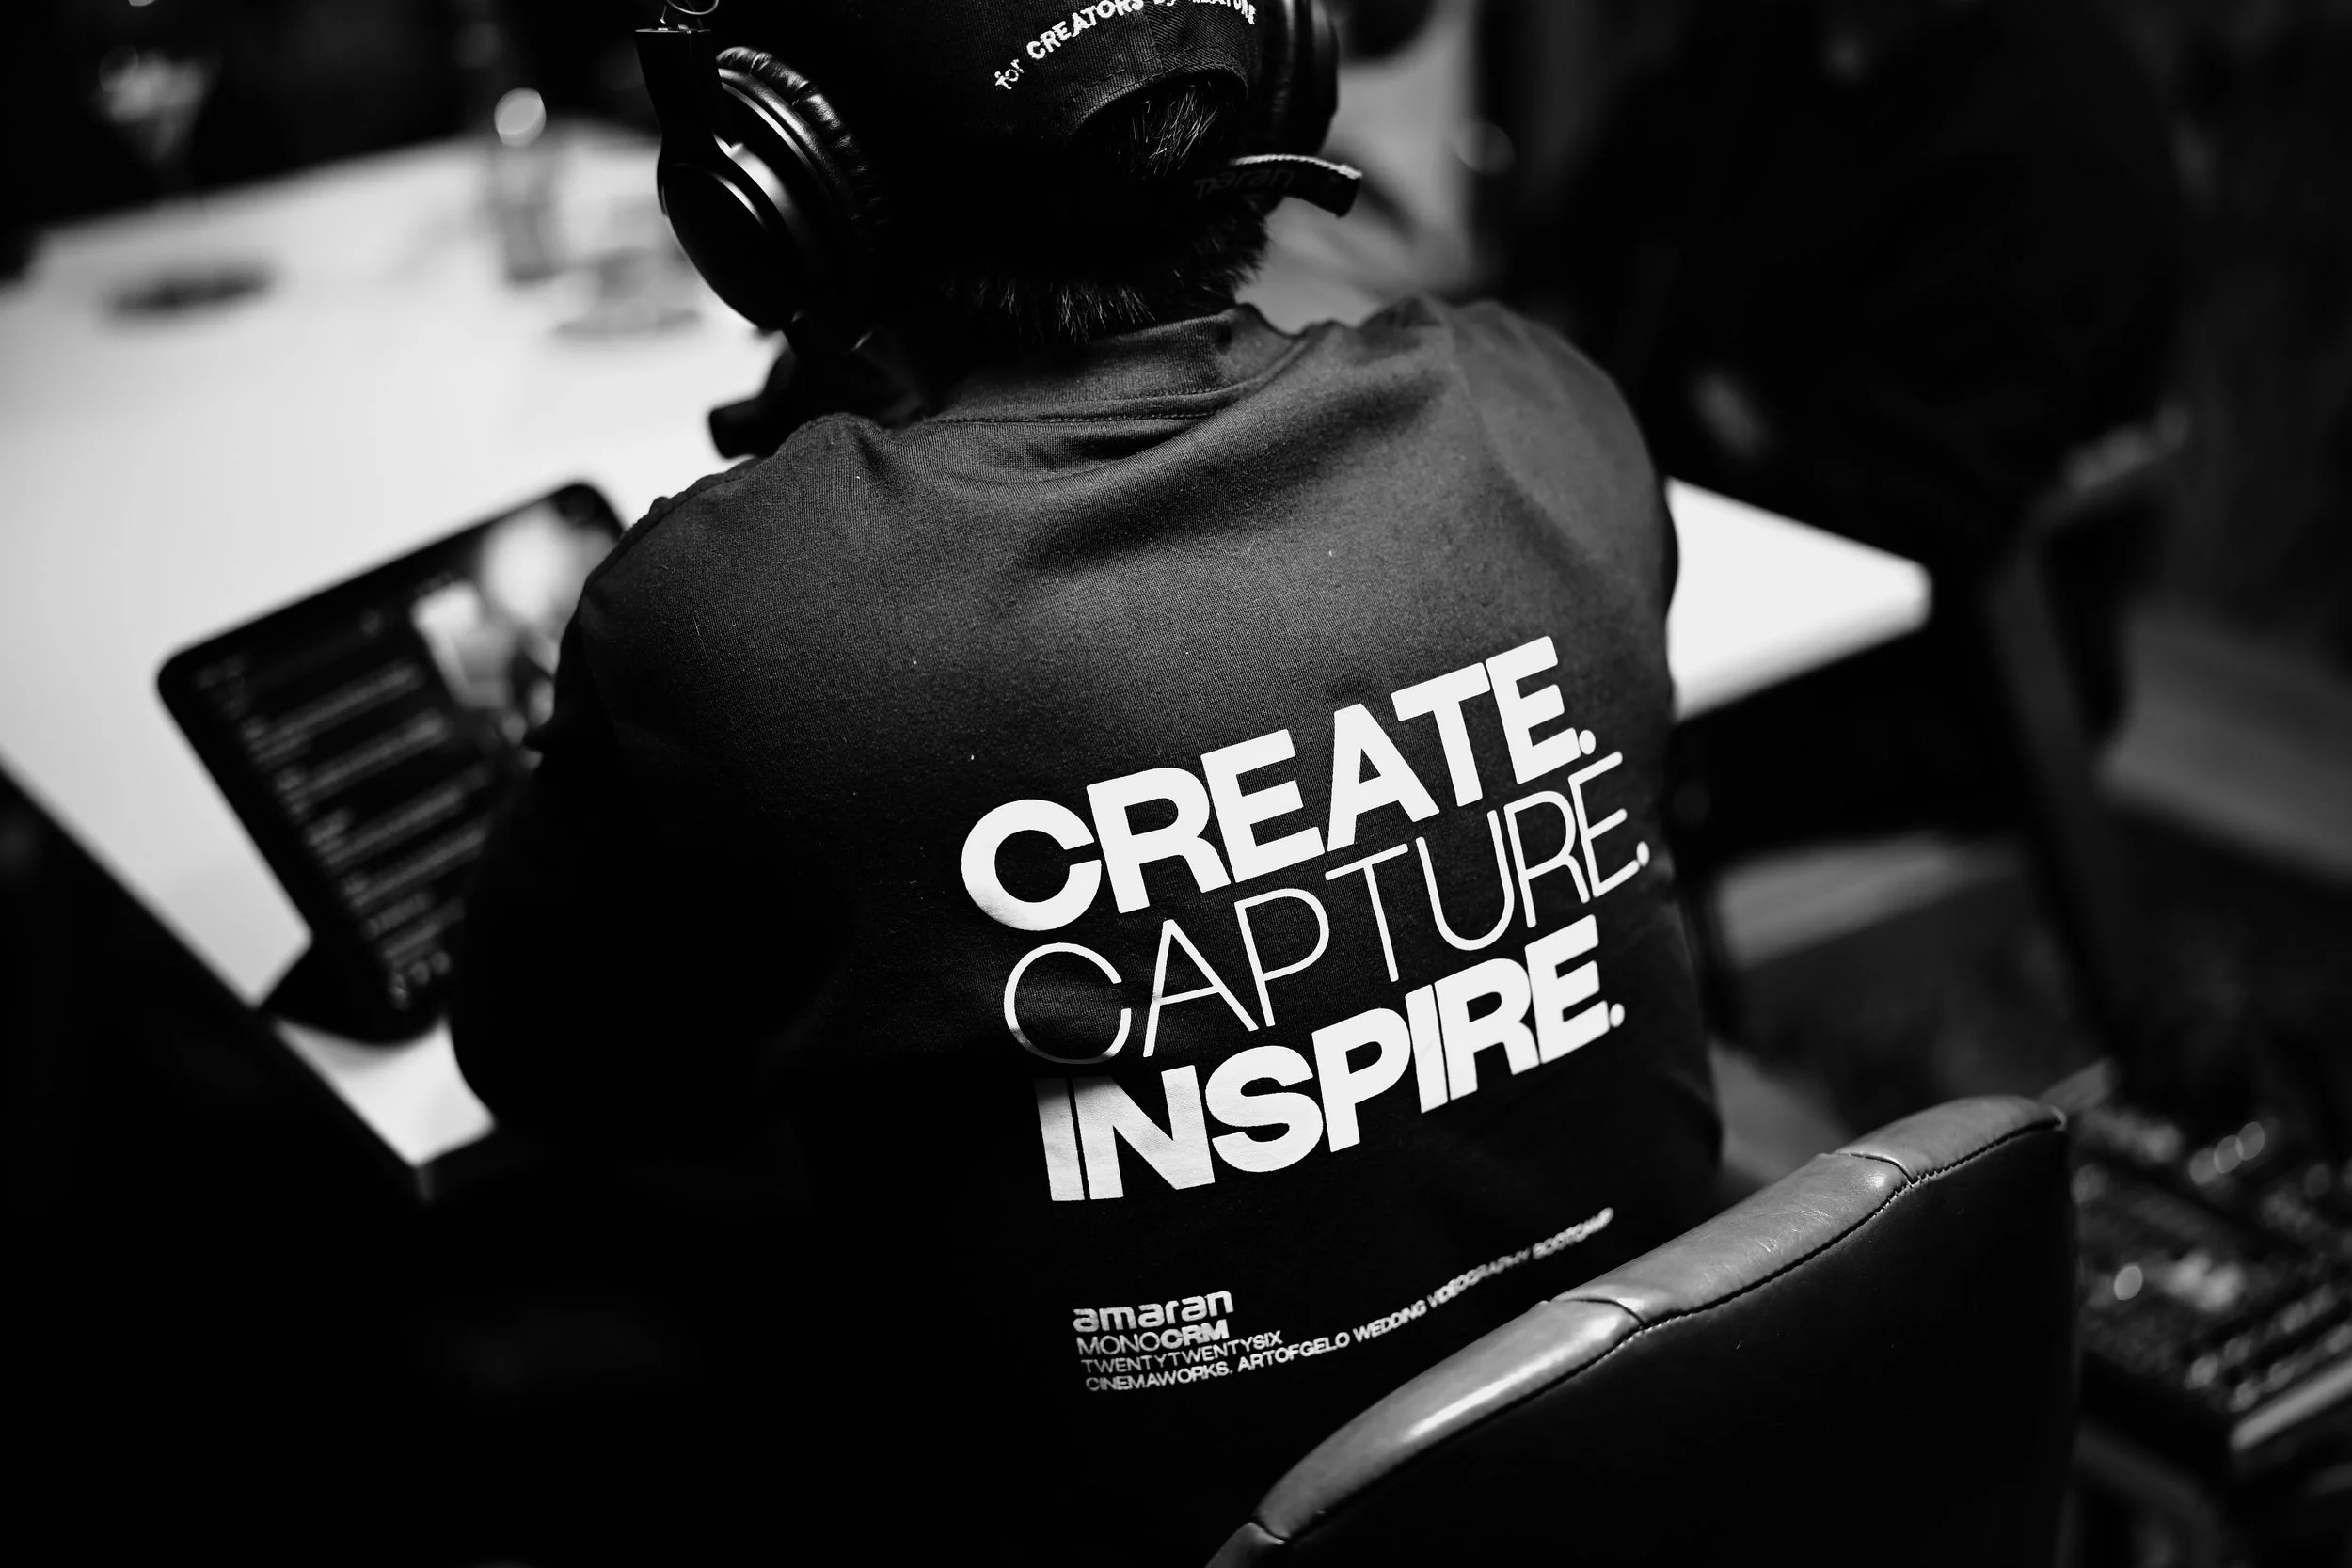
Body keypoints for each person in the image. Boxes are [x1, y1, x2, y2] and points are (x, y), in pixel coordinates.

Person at [451, 1, 1718, 1560]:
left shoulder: (737, 619)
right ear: (1280, 70)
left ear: (776, 195)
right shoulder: (1544, 411)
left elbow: (551, 1070)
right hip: (1653, 1472)